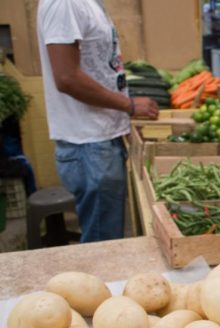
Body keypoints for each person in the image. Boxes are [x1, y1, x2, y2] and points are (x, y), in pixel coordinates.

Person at [37, 0, 159, 243]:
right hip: (91, 146)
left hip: (100, 143)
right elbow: (67, 78)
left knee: (107, 237)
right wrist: (129, 106)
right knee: (103, 243)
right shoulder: (65, 3)